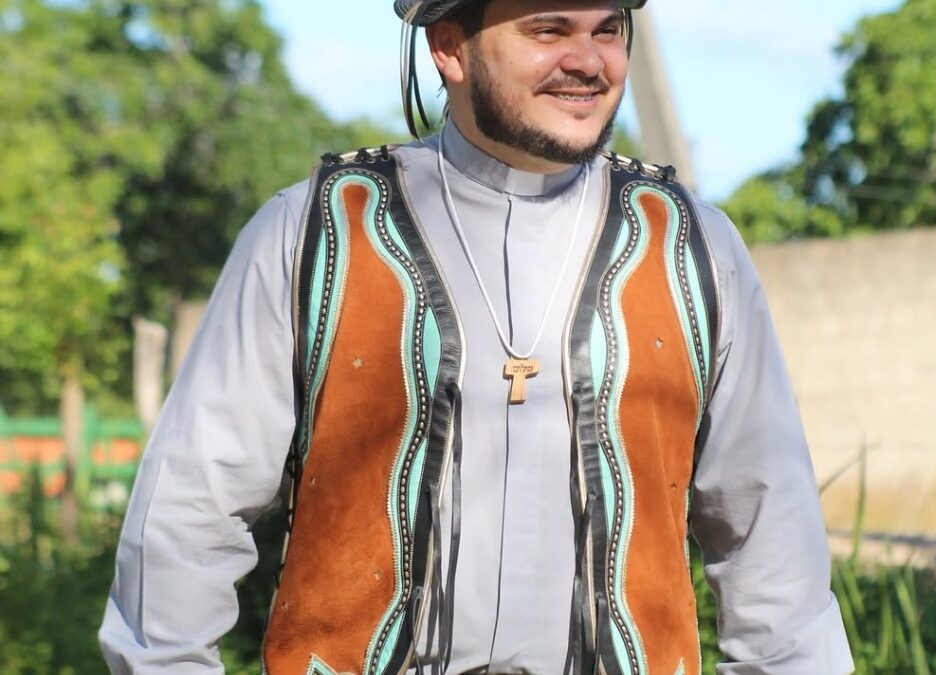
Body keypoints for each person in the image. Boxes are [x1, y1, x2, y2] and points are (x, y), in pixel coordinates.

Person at [99, 1, 855, 673]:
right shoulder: (313, 235)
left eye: (609, 30)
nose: (588, 61)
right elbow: (185, 518)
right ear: (450, 46)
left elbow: (772, 544)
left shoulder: (695, 249)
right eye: (548, 28)